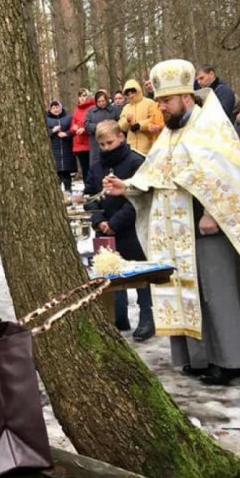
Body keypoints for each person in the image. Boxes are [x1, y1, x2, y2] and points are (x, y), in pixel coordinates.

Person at [103, 58, 240, 386]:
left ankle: (229, 361)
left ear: (186, 97)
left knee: (216, 293)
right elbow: (155, 173)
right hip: (178, 231)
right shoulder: (170, 134)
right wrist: (127, 188)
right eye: (159, 100)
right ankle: (200, 357)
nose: (160, 106)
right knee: (187, 293)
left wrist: (210, 214)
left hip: (210, 228)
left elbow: (224, 173)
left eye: (166, 100)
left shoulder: (211, 127)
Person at [84, 121, 154, 340]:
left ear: (121, 138)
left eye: (110, 143)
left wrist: (115, 223)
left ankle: (147, 317)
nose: (106, 148)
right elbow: (90, 195)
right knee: (111, 275)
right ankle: (119, 315)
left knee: (141, 273)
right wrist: (99, 221)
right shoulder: (96, 165)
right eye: (102, 144)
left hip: (132, 229)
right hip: (104, 230)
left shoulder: (136, 161)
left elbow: (141, 197)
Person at [118, 78, 163, 155]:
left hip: (148, 146)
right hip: (131, 148)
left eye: (133, 92)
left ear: (138, 91)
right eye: (128, 94)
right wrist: (127, 121)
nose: (131, 95)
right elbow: (120, 126)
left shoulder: (149, 103)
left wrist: (140, 125)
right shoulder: (126, 108)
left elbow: (155, 120)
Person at [45, 100, 76, 193]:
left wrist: (66, 134)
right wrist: (52, 131)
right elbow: (43, 134)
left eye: (57, 107)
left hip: (67, 150)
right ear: (50, 109)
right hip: (53, 150)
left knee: (66, 174)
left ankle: (68, 192)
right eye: (53, 108)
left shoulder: (68, 118)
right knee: (56, 175)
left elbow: (73, 130)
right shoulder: (47, 119)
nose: (56, 110)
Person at [84, 89, 121, 161]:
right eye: (99, 102)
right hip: (95, 143)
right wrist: (97, 126)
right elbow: (86, 125)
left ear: (107, 100)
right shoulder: (91, 111)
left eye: (103, 101)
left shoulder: (114, 110)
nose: (101, 103)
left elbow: (119, 123)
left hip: (111, 142)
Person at [69, 89, 95, 179]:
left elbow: (94, 124)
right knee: (84, 168)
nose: (82, 98)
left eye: (84, 96)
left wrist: (85, 129)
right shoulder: (76, 110)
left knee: (92, 167)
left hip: (90, 143)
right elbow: (72, 126)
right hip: (79, 144)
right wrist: (74, 128)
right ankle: (87, 188)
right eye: (80, 96)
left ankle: (94, 188)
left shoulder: (93, 108)